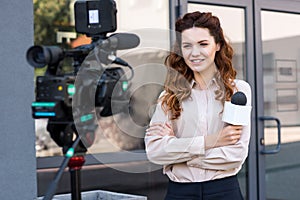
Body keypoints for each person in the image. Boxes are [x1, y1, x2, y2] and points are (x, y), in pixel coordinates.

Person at [144, 11, 251, 200]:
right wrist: (212, 140)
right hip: (180, 193)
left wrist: (180, 153)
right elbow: (155, 152)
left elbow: (236, 154)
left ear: (217, 45)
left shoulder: (237, 92)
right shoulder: (169, 96)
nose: (194, 53)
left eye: (203, 44)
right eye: (187, 46)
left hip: (224, 191)